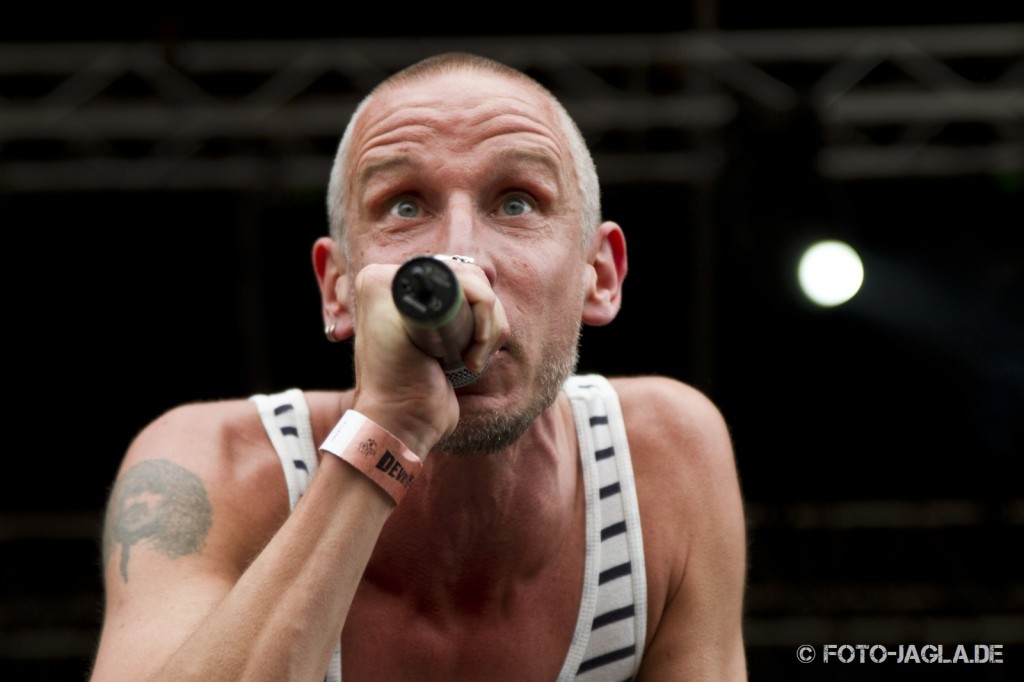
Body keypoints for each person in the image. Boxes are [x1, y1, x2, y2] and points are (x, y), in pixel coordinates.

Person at [89, 52, 747, 681]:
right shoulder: (215, 466)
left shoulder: (663, 457)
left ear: (598, 276)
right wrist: (388, 428)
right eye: (405, 207)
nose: (460, 261)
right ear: (338, 289)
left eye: (516, 202)